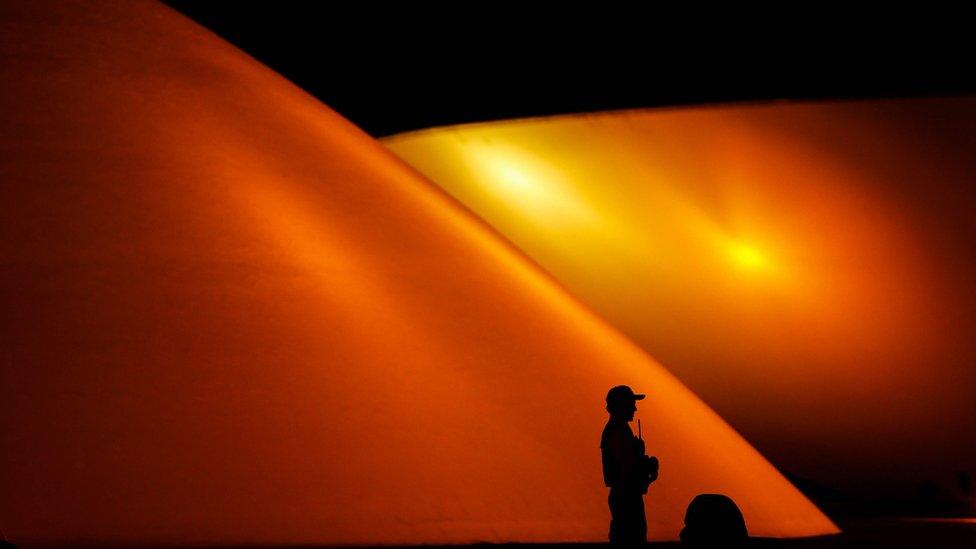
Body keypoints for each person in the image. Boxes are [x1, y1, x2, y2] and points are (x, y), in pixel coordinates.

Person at [601, 385, 658, 544]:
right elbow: (627, 467)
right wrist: (645, 464)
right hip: (625, 495)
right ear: (621, 406)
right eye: (631, 403)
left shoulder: (620, 429)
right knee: (631, 537)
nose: (635, 408)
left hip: (626, 494)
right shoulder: (617, 431)